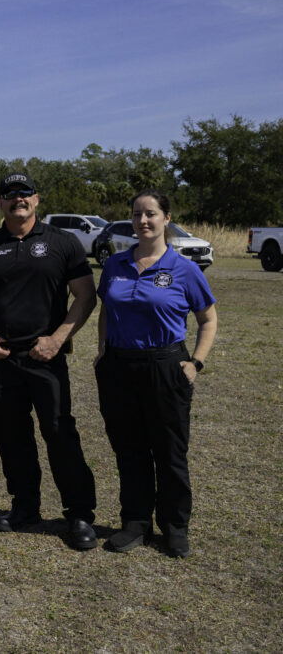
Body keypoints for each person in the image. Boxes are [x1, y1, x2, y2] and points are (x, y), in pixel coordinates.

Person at [0, 172, 98, 550]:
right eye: (9, 194)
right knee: (10, 436)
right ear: (0, 202)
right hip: (0, 357)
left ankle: (80, 515)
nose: (17, 198)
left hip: (46, 357)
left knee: (59, 433)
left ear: (37, 199)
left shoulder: (62, 243)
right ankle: (25, 507)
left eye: (24, 193)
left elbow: (85, 297)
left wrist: (57, 340)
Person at [95, 190, 217, 558]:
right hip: (119, 367)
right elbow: (105, 311)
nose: (143, 221)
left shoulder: (184, 269)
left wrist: (195, 362)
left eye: (150, 214)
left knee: (169, 449)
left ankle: (175, 527)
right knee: (128, 448)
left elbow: (208, 319)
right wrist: (102, 353)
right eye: (136, 215)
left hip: (165, 367)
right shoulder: (115, 264)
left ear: (166, 218)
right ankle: (135, 523)